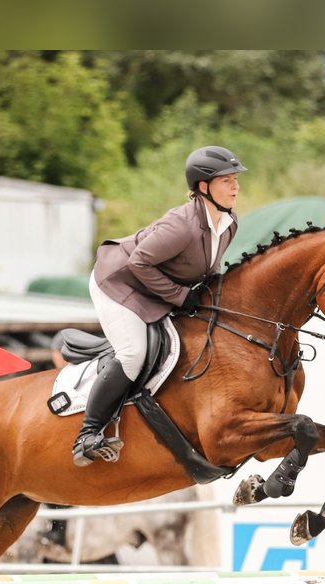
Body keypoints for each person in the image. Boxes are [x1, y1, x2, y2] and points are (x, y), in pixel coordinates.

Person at [72, 145, 247, 466]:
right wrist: (181, 297)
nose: (236, 187)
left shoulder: (229, 222)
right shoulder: (180, 226)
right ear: (204, 187)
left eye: (236, 179)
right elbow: (139, 264)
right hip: (118, 282)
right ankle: (87, 435)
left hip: (153, 284)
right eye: (227, 181)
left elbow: (213, 268)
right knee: (133, 352)